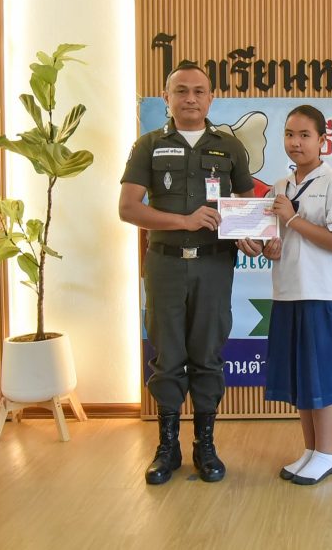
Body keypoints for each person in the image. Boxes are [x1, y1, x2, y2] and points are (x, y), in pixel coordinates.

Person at [119, 63, 264, 485]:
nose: (190, 98)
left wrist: (252, 237)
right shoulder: (148, 145)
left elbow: (247, 209)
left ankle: (205, 445)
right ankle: (167, 447)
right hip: (164, 264)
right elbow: (128, 208)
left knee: (207, 354)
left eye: (199, 91)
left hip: (214, 265)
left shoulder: (229, 147)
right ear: (167, 98)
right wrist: (184, 221)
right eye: (181, 91)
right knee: (167, 356)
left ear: (211, 98)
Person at [259, 104, 332, 486]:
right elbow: (276, 240)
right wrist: (271, 246)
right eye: (289, 134)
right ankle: (310, 450)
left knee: (323, 376)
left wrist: (292, 219)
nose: (296, 142)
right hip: (287, 292)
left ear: (322, 141)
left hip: (322, 294)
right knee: (301, 377)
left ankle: (327, 453)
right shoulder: (280, 186)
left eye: (305, 135)